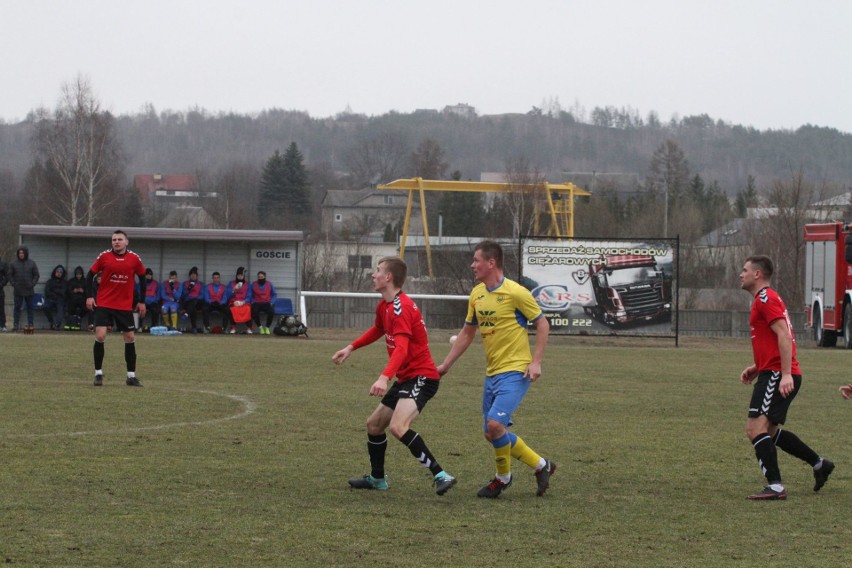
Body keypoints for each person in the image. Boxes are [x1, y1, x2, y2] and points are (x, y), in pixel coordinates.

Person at [437, 240, 555, 498]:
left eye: (476, 260)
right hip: (492, 373)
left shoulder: (516, 293)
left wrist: (536, 361)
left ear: (491, 263)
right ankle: (541, 465)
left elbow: (543, 324)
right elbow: (467, 334)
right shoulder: (477, 294)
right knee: (492, 434)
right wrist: (445, 365)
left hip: (516, 371)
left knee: (494, 424)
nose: (472, 265)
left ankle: (503, 478)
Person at [332, 256, 456, 496]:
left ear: (388, 277)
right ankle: (378, 479)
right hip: (407, 378)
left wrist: (384, 377)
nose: (373, 275)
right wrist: (350, 347)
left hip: (422, 377)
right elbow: (378, 329)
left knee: (398, 427)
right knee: (374, 425)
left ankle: (441, 475)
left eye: (377, 270)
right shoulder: (386, 306)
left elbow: (401, 348)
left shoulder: (401, 307)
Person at [738, 255, 834, 500]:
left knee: (755, 429)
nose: (741, 274)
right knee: (767, 433)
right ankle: (819, 464)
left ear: (757, 274)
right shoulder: (765, 299)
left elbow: (783, 335)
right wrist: (757, 366)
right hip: (772, 371)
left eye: (745, 269)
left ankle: (776, 486)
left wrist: (785, 374)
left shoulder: (765, 298)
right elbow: (774, 339)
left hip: (777, 374)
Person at [86, 230, 147, 387]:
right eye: (114, 239)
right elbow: (89, 275)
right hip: (104, 303)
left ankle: (131, 376)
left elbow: (142, 277)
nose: (116, 242)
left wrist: (141, 301)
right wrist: (90, 296)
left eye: (120, 239)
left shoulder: (134, 258)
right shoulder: (104, 256)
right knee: (100, 336)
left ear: (127, 242)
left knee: (129, 338)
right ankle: (98, 374)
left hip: (124, 306)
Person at [8, 245, 40, 331]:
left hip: (29, 290)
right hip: (18, 290)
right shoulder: (13, 264)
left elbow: (36, 275)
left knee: (30, 308)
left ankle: (30, 324)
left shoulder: (32, 263)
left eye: (22, 253)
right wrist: (14, 284)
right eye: (19, 253)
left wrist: (32, 283)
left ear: (26, 253)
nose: (21, 254)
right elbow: (10, 275)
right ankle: (16, 324)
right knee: (17, 308)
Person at [227, 266, 253, 334]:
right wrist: (233, 289)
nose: (240, 277)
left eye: (241, 275)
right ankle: (233, 328)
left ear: (243, 276)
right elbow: (227, 294)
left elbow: (249, 296)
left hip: (244, 302)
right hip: (234, 301)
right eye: (238, 275)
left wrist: (243, 302)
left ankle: (249, 328)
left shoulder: (248, 284)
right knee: (232, 309)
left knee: (248, 309)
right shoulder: (231, 283)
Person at [250, 270, 277, 335]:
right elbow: (250, 294)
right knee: (254, 312)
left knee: (271, 312)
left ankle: (267, 327)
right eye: (259, 277)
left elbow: (274, 294)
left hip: (267, 303)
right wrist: (253, 302)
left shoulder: (269, 284)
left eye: (262, 277)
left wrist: (271, 302)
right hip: (257, 303)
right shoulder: (253, 284)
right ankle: (260, 327)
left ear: (265, 277)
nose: (260, 278)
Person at [43, 264, 67, 331]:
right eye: (57, 272)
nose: (59, 273)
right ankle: (52, 322)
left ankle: (57, 324)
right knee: (45, 307)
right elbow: (47, 292)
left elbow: (63, 292)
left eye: (60, 272)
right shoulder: (50, 281)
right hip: (51, 299)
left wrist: (54, 290)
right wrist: (56, 293)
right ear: (55, 272)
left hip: (60, 300)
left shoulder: (64, 282)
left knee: (60, 309)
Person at [181, 266, 205, 333]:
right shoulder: (185, 283)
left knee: (194, 303)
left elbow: (202, 296)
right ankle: (194, 328)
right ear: (189, 276)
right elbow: (184, 295)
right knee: (192, 307)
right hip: (187, 303)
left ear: (197, 276)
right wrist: (189, 289)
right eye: (192, 274)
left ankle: (186, 314)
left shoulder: (201, 284)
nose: (193, 276)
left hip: (198, 303)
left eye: (194, 274)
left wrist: (194, 297)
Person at [65, 266, 87, 331]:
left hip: (83, 300)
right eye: (77, 274)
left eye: (80, 274)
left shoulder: (85, 281)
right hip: (73, 300)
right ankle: (71, 324)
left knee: (83, 309)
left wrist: (83, 291)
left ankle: (77, 322)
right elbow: (68, 291)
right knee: (71, 309)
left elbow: (89, 291)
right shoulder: (71, 281)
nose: (78, 276)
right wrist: (73, 291)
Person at [0, 254, 9, 332]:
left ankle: (2, 325)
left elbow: (7, 276)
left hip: (0, 290)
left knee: (1, 308)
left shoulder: (3, 264)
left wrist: (1, 284)